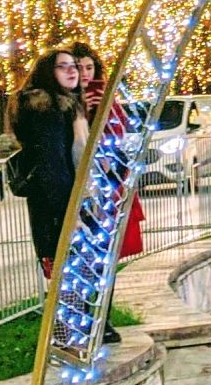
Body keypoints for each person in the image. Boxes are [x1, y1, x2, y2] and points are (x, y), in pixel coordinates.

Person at [12, 46, 87, 274]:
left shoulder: (66, 107)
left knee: (76, 278)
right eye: (62, 67)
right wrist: (69, 213)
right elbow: (53, 164)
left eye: (73, 66)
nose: (71, 71)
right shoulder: (47, 111)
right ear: (48, 73)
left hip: (60, 208)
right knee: (70, 279)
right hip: (57, 213)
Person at [71, 42, 144, 260]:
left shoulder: (103, 95)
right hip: (84, 175)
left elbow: (116, 129)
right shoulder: (69, 98)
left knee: (107, 236)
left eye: (89, 68)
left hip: (105, 174)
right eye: (80, 68)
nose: (85, 73)